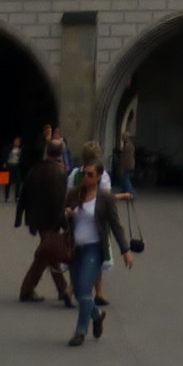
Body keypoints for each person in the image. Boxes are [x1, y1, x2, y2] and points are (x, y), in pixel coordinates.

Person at [63, 157, 136, 346]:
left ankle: (80, 332)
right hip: (75, 248)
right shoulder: (74, 194)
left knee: (84, 289)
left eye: (90, 174)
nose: (85, 177)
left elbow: (115, 225)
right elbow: (62, 212)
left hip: (94, 249)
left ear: (98, 177)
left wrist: (125, 250)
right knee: (79, 294)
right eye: (83, 173)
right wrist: (67, 213)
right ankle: (96, 315)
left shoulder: (105, 199)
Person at [18, 138, 76, 305]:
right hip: (52, 219)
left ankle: (61, 289)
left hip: (37, 218)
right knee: (47, 252)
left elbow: (24, 194)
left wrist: (21, 216)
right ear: (61, 153)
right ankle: (29, 290)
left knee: (48, 252)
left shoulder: (35, 169)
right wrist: (63, 221)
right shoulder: (60, 173)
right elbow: (58, 200)